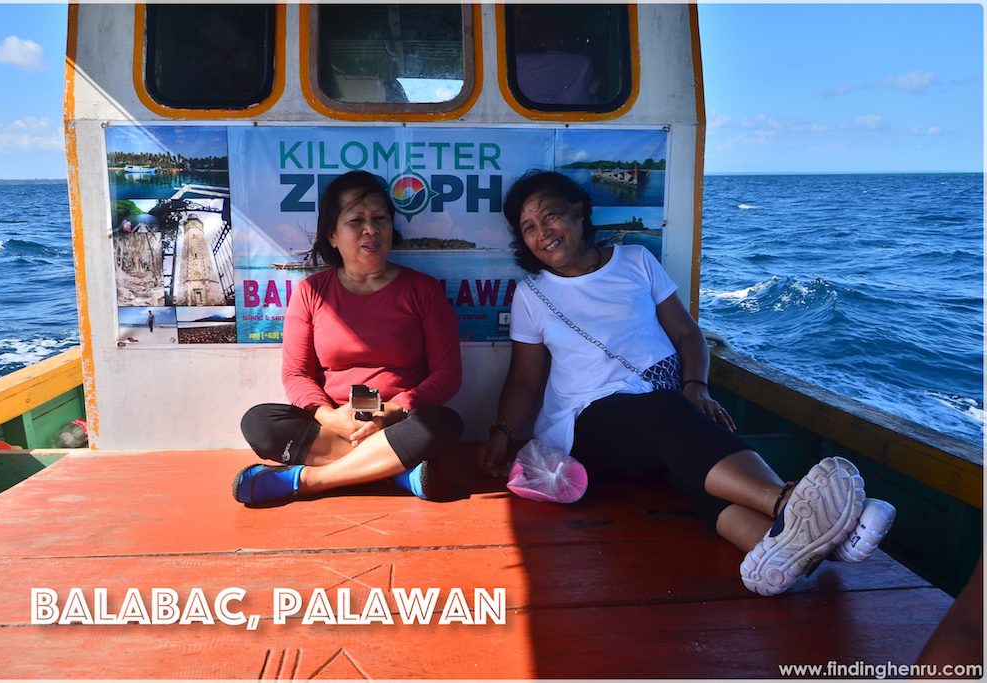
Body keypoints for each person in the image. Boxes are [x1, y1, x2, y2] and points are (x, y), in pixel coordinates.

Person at [477, 170, 895, 596]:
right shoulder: (533, 294)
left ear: (579, 211)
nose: (543, 233)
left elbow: (687, 334)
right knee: (667, 412)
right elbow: (526, 382)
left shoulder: (635, 261)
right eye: (529, 228)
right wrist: (502, 433)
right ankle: (790, 505)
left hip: (667, 411)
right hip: (588, 423)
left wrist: (696, 384)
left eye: (551, 216)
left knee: (694, 466)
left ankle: (783, 548)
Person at [234, 171, 464, 506]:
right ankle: (394, 473)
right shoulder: (310, 292)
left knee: (443, 423)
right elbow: (295, 374)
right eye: (356, 220)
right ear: (332, 236)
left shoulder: (423, 291)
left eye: (380, 219)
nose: (371, 230)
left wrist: (394, 412)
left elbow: (447, 375)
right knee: (259, 422)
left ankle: (309, 480)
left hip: (399, 423)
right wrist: (330, 416)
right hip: (334, 422)